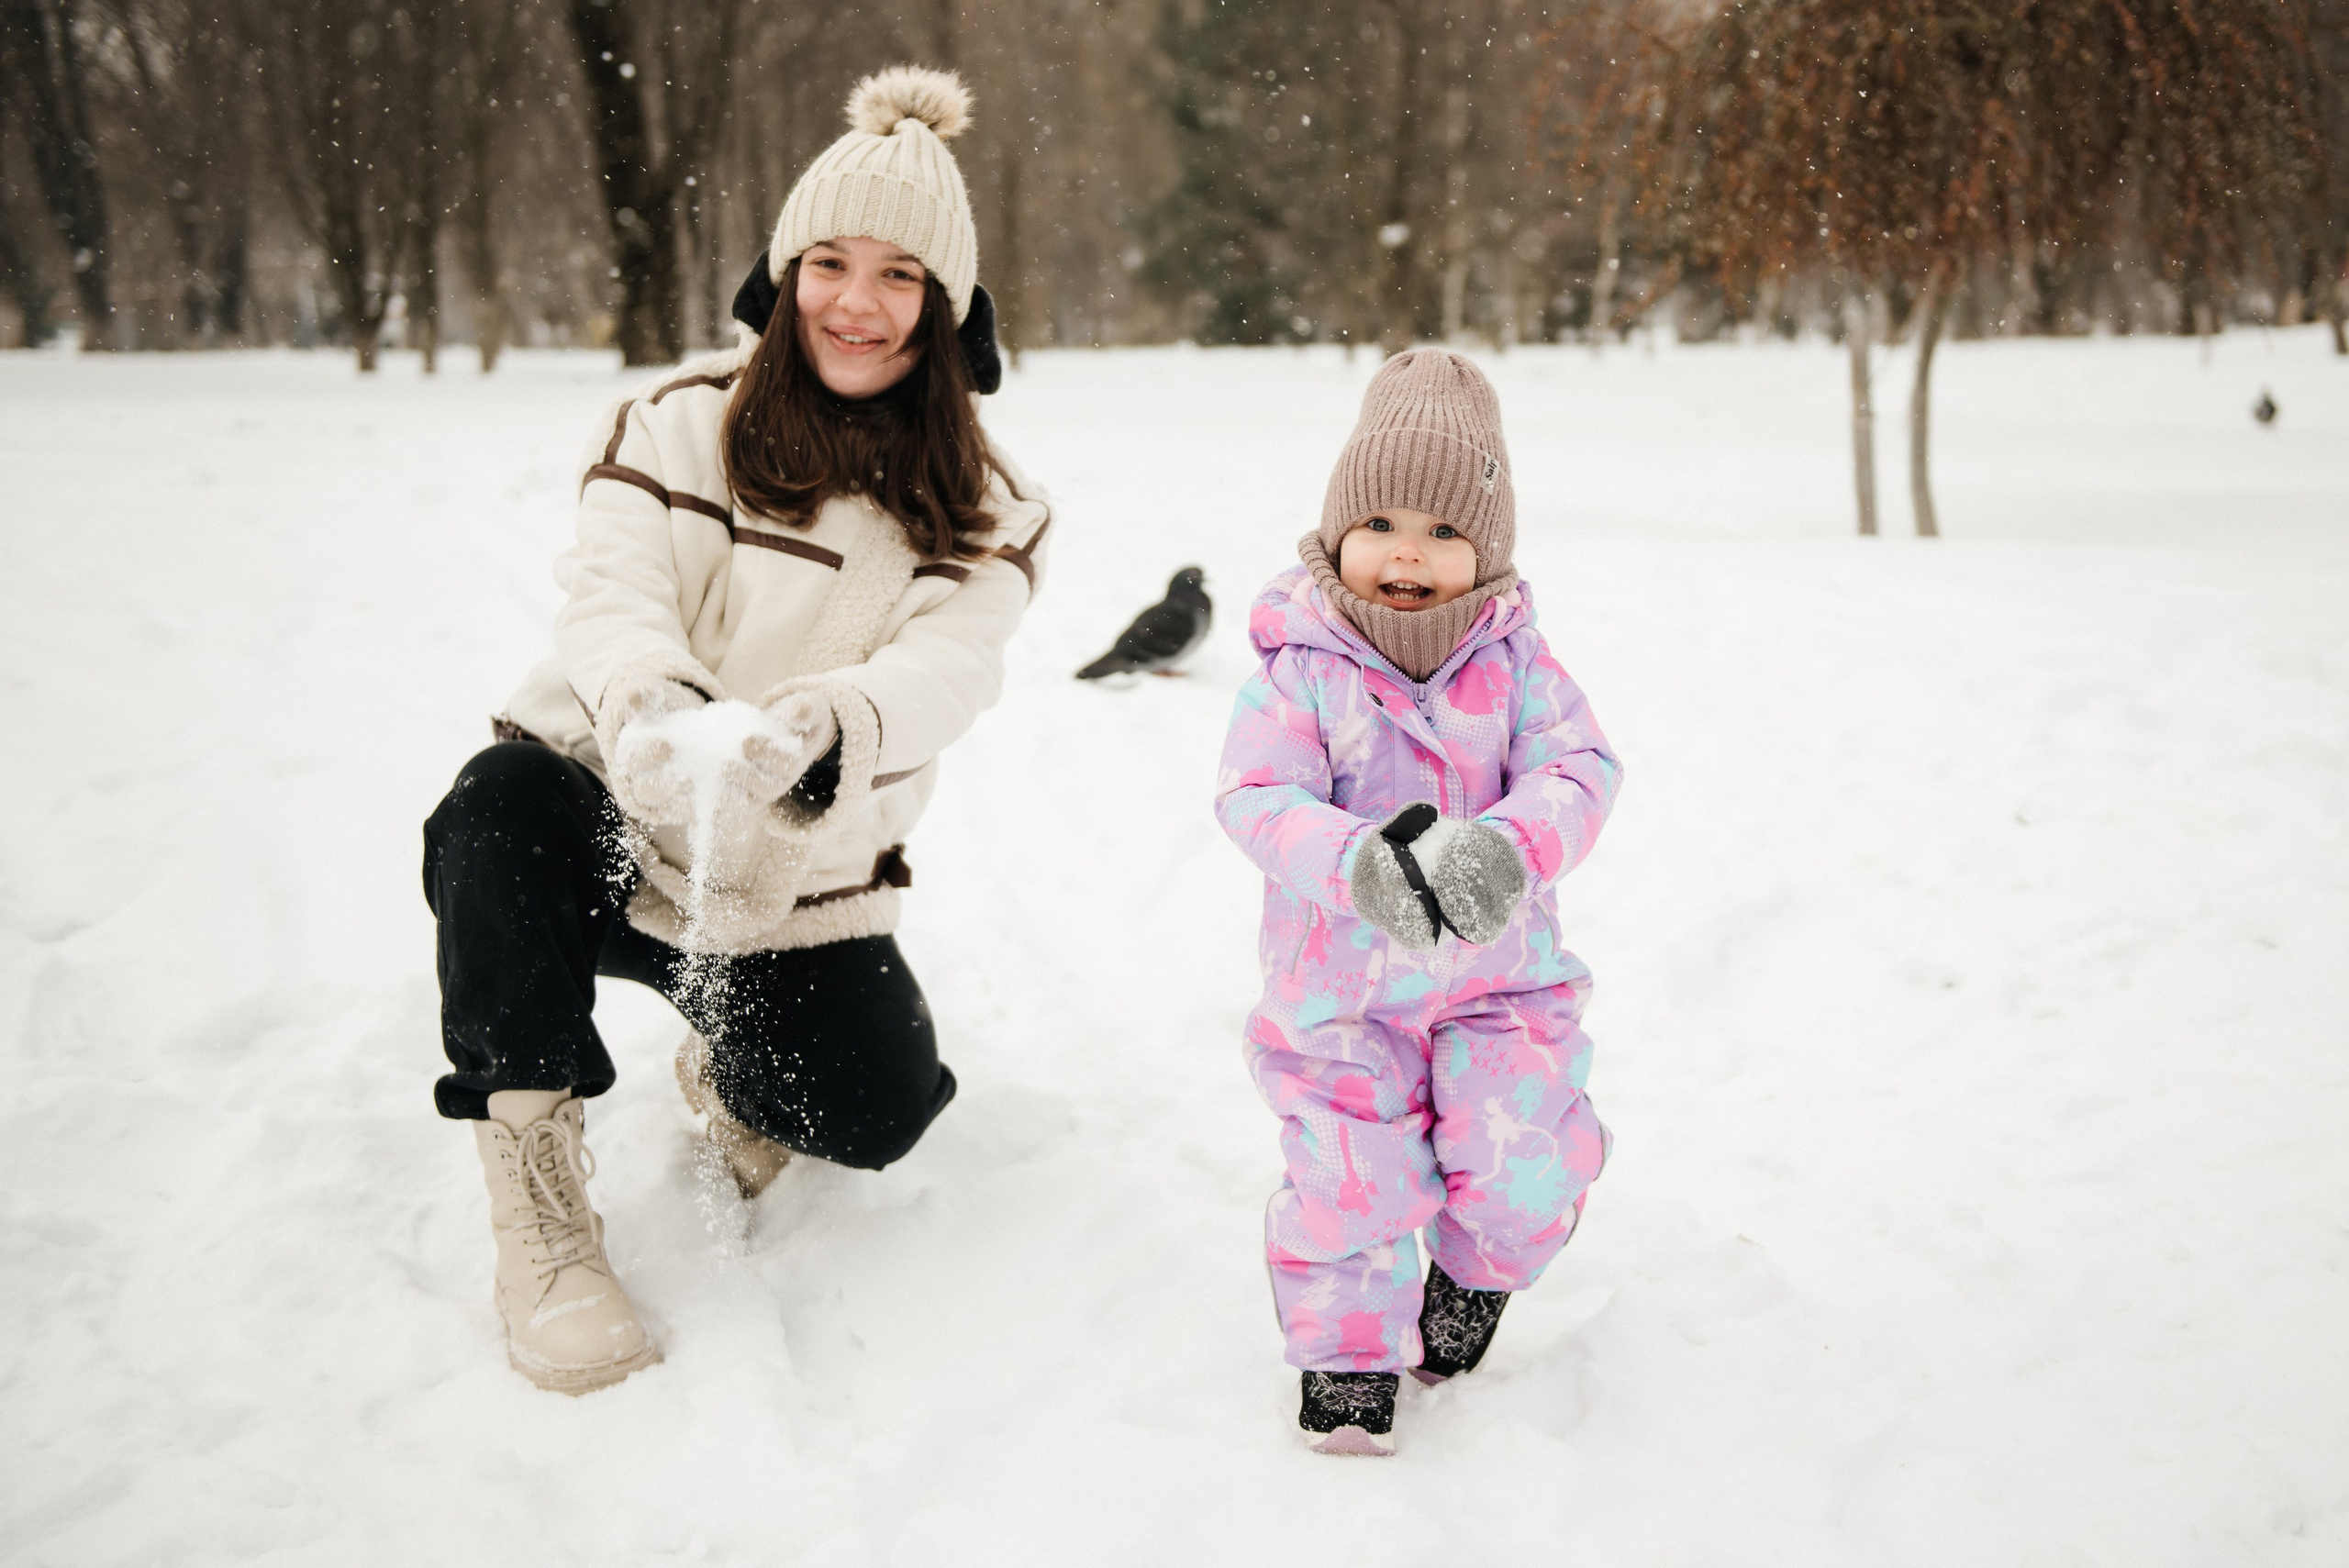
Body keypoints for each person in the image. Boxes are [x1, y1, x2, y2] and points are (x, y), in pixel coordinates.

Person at [420, 67, 1048, 1395]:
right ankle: (540, 1208)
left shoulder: (992, 507)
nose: (856, 303)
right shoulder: (674, 422)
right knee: (497, 808)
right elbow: (612, 596)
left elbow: (948, 670)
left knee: (873, 1110)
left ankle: (727, 1065)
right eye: (829, 263)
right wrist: (653, 701)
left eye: (898, 275)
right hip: (606, 818)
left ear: (945, 306)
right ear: (784, 271)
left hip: (784, 878)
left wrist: (831, 722)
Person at [1212, 349, 1621, 1453]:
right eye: (1381, 521)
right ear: (1336, 531)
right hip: (1340, 996)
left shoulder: (1519, 666)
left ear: (1485, 552)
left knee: (1523, 1161)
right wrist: (1358, 861)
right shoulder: (1301, 668)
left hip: (1501, 985)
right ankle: (1348, 1357)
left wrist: (1507, 847)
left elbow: (1579, 769)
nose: (1408, 550)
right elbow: (1257, 795)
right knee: (1352, 1179)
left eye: (1444, 530)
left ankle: (1475, 1273)